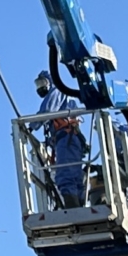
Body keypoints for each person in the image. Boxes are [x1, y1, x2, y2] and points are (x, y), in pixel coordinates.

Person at [35, 71, 91, 208]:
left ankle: (73, 208)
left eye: (43, 83)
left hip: (67, 138)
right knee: (75, 176)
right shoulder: (64, 100)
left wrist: (31, 126)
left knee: (65, 174)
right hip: (69, 140)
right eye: (38, 84)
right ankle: (79, 205)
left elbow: (47, 111)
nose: (40, 87)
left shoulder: (57, 91)